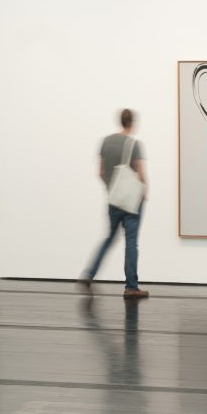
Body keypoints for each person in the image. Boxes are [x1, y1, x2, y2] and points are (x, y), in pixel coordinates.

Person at [78, 109, 149, 299]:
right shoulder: (134, 144)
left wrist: (111, 190)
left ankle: (89, 274)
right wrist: (145, 191)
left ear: (120, 121)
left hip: (113, 200)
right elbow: (141, 174)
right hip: (131, 203)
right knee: (131, 242)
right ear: (132, 123)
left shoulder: (106, 142)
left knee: (109, 238)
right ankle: (131, 287)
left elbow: (100, 172)